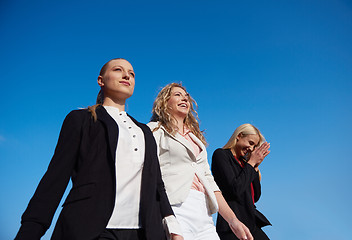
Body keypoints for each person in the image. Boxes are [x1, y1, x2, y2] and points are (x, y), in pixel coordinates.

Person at [15, 58, 183, 240]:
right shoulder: (81, 120)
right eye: (118, 70)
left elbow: (158, 184)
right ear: (101, 80)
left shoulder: (145, 131)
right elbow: (55, 179)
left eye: (132, 73)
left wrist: (173, 227)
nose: (127, 75)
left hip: (144, 232)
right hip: (90, 228)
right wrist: (29, 231)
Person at [147, 83, 253, 240]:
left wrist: (233, 220)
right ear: (164, 102)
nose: (184, 98)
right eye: (177, 95)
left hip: (203, 211)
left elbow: (209, 181)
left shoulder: (196, 140)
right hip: (174, 207)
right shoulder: (154, 130)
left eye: (186, 96)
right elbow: (148, 172)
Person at [211, 124, 271, 240]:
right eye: (250, 143)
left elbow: (255, 196)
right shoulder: (221, 155)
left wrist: (255, 167)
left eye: (254, 146)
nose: (251, 149)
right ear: (239, 136)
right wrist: (251, 164)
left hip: (251, 222)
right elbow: (235, 190)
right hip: (232, 225)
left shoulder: (245, 164)